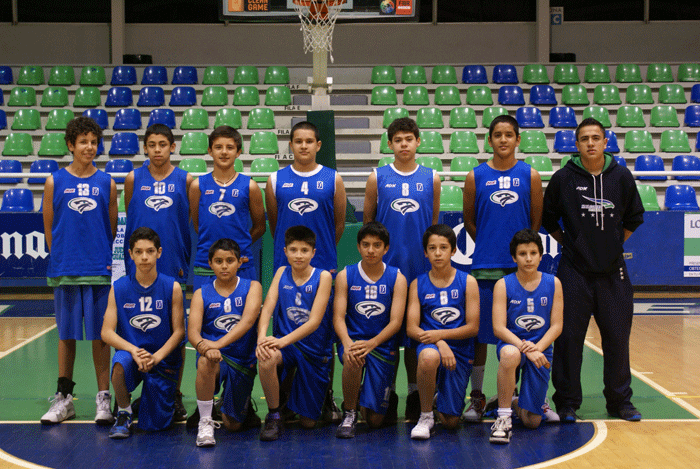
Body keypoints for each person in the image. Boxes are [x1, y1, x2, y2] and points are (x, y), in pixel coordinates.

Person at [542, 117, 645, 422]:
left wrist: (612, 244)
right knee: (568, 341)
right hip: (574, 271)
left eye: (595, 138)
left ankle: (620, 401)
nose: (590, 143)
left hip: (613, 273)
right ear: (576, 145)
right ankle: (567, 402)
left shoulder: (621, 176)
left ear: (605, 143)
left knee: (617, 339)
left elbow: (634, 217)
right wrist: (571, 243)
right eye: (584, 139)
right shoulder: (563, 178)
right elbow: (548, 219)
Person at [461, 114, 543, 421]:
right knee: (480, 337)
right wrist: (489, 244)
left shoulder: (530, 175)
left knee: (521, 332)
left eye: (509, 134)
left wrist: (519, 253)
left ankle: (517, 393)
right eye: (498, 134)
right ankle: (477, 396)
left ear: (518, 139)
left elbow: (535, 222)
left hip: (519, 270)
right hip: (485, 266)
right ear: (490, 140)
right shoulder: (476, 176)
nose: (503, 139)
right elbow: (470, 221)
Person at [41, 116, 117, 426]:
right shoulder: (54, 181)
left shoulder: (107, 182)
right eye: (83, 141)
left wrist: (95, 252)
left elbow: (111, 227)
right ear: (70, 145)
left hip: (97, 268)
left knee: (101, 336)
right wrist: (64, 256)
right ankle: (64, 398)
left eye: (93, 142)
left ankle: (103, 398)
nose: (89, 147)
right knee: (67, 335)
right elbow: (50, 228)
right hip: (66, 269)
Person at [363, 117, 441, 421]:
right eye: (398, 140)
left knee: (415, 338)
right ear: (390, 144)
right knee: (389, 337)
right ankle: (388, 393)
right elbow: (369, 224)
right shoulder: (377, 177)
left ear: (418, 142)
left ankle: (413, 393)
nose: (404, 144)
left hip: (419, 271)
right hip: (386, 271)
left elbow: (432, 226)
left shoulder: (432, 178)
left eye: (409, 139)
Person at [123, 123, 192, 421]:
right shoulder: (133, 178)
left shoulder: (186, 180)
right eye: (152, 144)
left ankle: (174, 394)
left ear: (172, 147)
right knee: (136, 327)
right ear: (145, 148)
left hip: (173, 261)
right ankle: (135, 393)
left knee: (175, 331)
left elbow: (191, 221)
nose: (157, 150)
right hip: (140, 266)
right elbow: (131, 218)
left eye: (163, 144)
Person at [101, 227, 185, 439]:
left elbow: (179, 333)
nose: (144, 257)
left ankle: (150, 399)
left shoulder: (172, 287)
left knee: (154, 425)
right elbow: (106, 332)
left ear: (159, 252)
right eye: (138, 252)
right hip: (133, 355)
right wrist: (133, 350)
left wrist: (156, 357)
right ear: (130, 254)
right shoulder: (118, 287)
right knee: (119, 364)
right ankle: (124, 412)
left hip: (161, 359)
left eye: (150, 251)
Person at [256, 226, 334, 441]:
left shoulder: (323, 276)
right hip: (287, 348)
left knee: (308, 423)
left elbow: (314, 322)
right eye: (293, 250)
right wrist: (262, 338)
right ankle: (274, 415)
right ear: (285, 251)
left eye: (304, 250)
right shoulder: (281, 272)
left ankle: (309, 397)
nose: (299, 255)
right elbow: (268, 306)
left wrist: (281, 341)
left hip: (314, 350)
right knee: (266, 357)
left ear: (313, 253)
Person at [333, 221, 407, 438]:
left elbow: (396, 322)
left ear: (386, 248)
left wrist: (372, 343)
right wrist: (347, 343)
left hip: (381, 345)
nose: (371, 250)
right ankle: (349, 412)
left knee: (374, 421)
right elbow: (338, 317)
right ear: (358, 247)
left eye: (377, 245)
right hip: (354, 340)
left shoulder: (397, 278)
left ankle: (367, 396)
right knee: (353, 357)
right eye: (365, 245)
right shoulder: (345, 275)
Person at [489, 229, 563, 444]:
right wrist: (526, 348)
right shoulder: (503, 284)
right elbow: (499, 328)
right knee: (510, 355)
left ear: (541, 256)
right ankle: (503, 417)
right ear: (514, 257)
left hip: (541, 348)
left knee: (532, 422)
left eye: (533, 253)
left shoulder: (553, 283)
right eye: (522, 254)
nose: (528, 258)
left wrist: (537, 348)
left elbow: (557, 326)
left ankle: (516, 401)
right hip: (512, 344)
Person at [406, 224, 479, 439]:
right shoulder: (417, 284)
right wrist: (438, 342)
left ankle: (439, 397)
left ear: (453, 250)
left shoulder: (468, 281)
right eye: (432, 248)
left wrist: (440, 336)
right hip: (430, 345)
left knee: (450, 422)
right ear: (425, 252)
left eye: (443, 247)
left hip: (460, 350)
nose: (438, 253)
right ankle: (426, 415)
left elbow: (473, 327)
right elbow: (411, 328)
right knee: (429, 357)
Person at [188, 238, 263, 447]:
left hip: (241, 359)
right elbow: (193, 332)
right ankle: (205, 421)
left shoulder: (253, 287)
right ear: (210, 264)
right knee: (205, 361)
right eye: (218, 261)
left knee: (232, 425)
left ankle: (229, 403)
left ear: (240, 262)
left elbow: (247, 322)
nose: (224, 266)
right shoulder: (201, 293)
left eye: (230, 261)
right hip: (214, 357)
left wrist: (216, 344)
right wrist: (204, 348)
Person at [189, 126, 266, 289]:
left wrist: (237, 247)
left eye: (230, 147)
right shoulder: (197, 186)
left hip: (241, 263)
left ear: (238, 152)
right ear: (210, 151)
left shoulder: (250, 186)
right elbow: (198, 226)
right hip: (205, 263)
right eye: (218, 147)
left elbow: (260, 227)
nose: (224, 152)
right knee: (204, 306)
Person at [265, 121, 346, 275]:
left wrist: (323, 246)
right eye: (298, 141)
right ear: (291, 145)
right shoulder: (275, 179)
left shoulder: (333, 178)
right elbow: (275, 226)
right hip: (286, 262)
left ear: (318, 145)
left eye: (309, 141)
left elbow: (339, 224)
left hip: (322, 260)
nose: (303, 146)